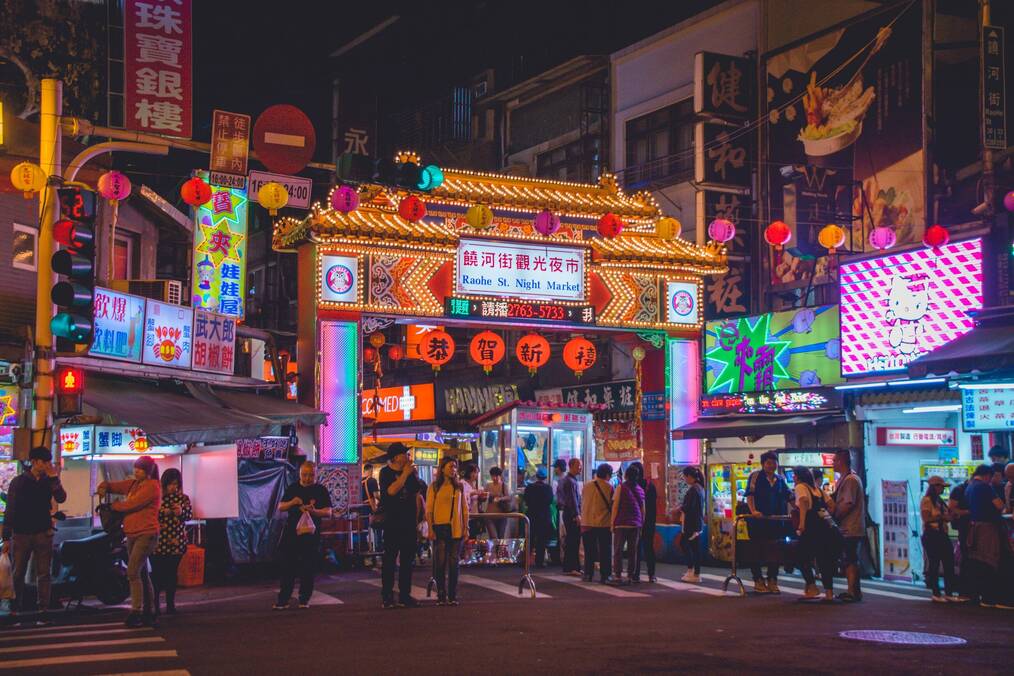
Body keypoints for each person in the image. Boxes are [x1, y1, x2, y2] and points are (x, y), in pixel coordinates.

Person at [1, 446, 67, 624]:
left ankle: (43, 610)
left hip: (43, 532)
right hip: (21, 534)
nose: (47, 465)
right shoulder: (19, 481)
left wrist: (54, 478)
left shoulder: (49, 480)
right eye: (44, 462)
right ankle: (15, 610)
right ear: (35, 462)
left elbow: (61, 498)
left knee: (44, 573)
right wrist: (6, 537)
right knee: (18, 572)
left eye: (48, 462)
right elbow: (11, 509)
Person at [99, 455, 161, 627]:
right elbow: (117, 486)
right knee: (141, 573)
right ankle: (150, 610)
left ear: (147, 471)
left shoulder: (152, 487)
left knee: (132, 571)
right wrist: (106, 486)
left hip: (146, 533)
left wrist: (114, 506)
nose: (136, 471)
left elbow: (132, 504)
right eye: (135, 468)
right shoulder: (134, 484)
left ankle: (136, 611)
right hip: (132, 533)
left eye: (139, 469)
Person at [272, 461, 331, 610]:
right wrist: (293, 502)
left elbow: (328, 512)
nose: (307, 478)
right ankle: (283, 599)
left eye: (311, 475)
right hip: (291, 534)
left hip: (311, 535)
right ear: (299, 474)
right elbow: (280, 506)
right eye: (304, 475)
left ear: (315, 474)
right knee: (287, 567)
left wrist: (314, 511)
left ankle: (304, 599)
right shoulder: (293, 488)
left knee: (308, 567)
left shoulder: (320, 490)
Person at [379, 443, 423, 609]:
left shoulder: (411, 473)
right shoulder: (385, 472)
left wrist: (418, 520)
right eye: (405, 454)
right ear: (396, 456)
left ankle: (405, 595)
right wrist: (404, 474)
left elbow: (416, 493)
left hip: (409, 522)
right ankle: (387, 596)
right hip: (392, 523)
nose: (408, 457)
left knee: (407, 561)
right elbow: (391, 491)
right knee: (389, 560)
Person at [745, 451, 792, 594]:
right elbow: (750, 495)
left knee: (775, 550)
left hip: (775, 521)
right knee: (757, 550)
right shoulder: (755, 476)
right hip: (758, 521)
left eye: (774, 462)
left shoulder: (780, 479)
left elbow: (788, 495)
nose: (772, 465)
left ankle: (772, 580)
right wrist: (753, 511)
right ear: (763, 464)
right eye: (769, 463)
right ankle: (758, 580)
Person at [965, 464, 1011, 609]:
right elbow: (999, 506)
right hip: (988, 528)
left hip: (975, 527)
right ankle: (990, 597)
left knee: (979, 561)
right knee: (990, 560)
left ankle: (981, 595)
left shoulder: (970, 487)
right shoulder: (984, 487)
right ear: (987, 475)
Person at [426, 457, 468, 605]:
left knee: (454, 563)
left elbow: (464, 508)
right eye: (450, 466)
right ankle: (441, 595)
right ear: (442, 468)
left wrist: (466, 527)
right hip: (440, 527)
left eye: (455, 467)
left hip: (456, 528)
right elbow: (429, 510)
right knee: (440, 563)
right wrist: (430, 528)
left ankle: (452, 596)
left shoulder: (459, 487)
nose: (453, 469)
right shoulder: (434, 487)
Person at [150, 468, 192, 616]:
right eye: (170, 484)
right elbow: (150, 514)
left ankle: (170, 605)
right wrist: (164, 512)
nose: (173, 487)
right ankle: (154, 605)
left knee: (171, 574)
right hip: (157, 542)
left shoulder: (183, 498)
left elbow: (188, 515)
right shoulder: (157, 498)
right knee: (157, 575)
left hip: (176, 542)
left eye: (176, 484)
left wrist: (181, 512)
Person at [792, 466, 837, 601]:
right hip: (824, 527)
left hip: (811, 526)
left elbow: (804, 503)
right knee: (824, 559)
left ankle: (812, 587)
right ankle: (829, 592)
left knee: (800, 556)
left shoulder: (800, 487)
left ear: (798, 477)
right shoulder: (819, 490)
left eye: (794, 475)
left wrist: (802, 524)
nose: (793, 478)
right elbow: (832, 505)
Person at [830, 449, 866, 603]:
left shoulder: (850, 480)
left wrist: (835, 516)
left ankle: (853, 591)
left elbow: (848, 503)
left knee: (850, 559)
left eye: (834, 460)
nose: (832, 463)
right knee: (849, 558)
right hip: (850, 526)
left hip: (850, 526)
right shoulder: (846, 478)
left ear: (841, 461)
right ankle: (853, 590)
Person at [920, 475, 960, 603]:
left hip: (942, 534)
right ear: (934, 487)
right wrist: (943, 517)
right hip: (932, 534)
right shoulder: (927, 500)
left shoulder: (940, 501)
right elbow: (926, 518)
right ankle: (936, 593)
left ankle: (949, 592)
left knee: (949, 562)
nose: (943, 489)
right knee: (934, 563)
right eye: (941, 487)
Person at [610, 464, 645, 585]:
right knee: (632, 551)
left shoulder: (621, 488)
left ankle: (618, 575)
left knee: (618, 550)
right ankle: (630, 576)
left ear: (626, 475)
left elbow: (615, 506)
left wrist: (612, 523)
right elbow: (642, 509)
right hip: (636, 524)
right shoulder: (640, 490)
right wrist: (641, 523)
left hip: (622, 523)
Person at [581, 463, 613, 583]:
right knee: (605, 550)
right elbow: (612, 505)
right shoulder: (609, 487)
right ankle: (605, 576)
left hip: (587, 522)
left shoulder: (586, 486)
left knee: (589, 551)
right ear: (607, 475)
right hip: (603, 523)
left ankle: (588, 574)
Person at [673, 466, 705, 583]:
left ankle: (692, 571)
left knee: (685, 544)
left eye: (685, 477)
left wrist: (678, 509)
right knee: (694, 548)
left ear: (690, 477)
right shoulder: (699, 488)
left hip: (691, 524)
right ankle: (695, 572)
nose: (685, 480)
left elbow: (688, 507)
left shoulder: (693, 490)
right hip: (697, 523)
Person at [629, 461, 657, 583]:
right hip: (649, 522)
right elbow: (654, 505)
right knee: (649, 548)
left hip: (635, 521)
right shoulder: (650, 486)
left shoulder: (630, 486)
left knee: (635, 548)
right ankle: (651, 575)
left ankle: (636, 574)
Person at [948, 475, 974, 599]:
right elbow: (952, 509)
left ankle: (966, 590)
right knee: (966, 557)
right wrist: (968, 512)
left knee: (968, 557)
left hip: (969, 528)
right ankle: (964, 590)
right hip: (964, 528)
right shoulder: (959, 490)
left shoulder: (966, 489)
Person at [523, 466, 554, 568]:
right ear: (545, 477)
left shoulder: (529, 488)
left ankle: (526, 560)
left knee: (530, 538)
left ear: (536, 476)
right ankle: (539, 561)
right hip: (544, 516)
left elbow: (526, 500)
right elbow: (550, 501)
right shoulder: (548, 488)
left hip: (531, 515)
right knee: (541, 540)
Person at [557, 458, 583, 575]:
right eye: (579, 466)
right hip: (571, 514)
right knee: (573, 540)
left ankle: (573, 567)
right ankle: (571, 567)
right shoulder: (570, 481)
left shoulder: (568, 480)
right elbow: (572, 500)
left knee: (572, 540)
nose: (580, 468)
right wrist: (577, 515)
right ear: (571, 466)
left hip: (569, 513)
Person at [485, 467, 512, 540]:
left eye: (496, 476)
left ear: (500, 476)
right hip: (489, 515)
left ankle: (498, 551)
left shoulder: (504, 486)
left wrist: (500, 498)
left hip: (502, 515)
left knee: (501, 536)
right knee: (494, 537)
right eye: (492, 476)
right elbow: (484, 497)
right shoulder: (488, 485)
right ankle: (494, 550)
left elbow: (509, 497)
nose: (494, 478)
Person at [361, 463, 383, 554]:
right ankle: (378, 548)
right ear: (371, 470)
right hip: (370, 508)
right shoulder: (372, 481)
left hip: (361, 508)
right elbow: (376, 495)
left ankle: (364, 549)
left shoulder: (360, 481)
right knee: (377, 527)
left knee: (364, 530)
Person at [461, 463, 482, 538]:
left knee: (473, 538)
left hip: (475, 515)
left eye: (477, 473)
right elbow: (462, 498)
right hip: (467, 516)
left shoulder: (474, 483)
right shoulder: (462, 483)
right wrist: (472, 493)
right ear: (469, 472)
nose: (476, 475)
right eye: (474, 472)